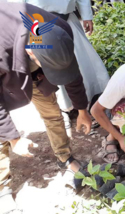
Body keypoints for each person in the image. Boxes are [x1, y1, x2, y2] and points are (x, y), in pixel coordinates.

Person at [0, 3, 92, 212]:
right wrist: (14, 138)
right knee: (1, 135)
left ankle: (64, 157)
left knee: (52, 113)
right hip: (6, 67)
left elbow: (70, 69)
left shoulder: (58, 28)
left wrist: (82, 110)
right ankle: (2, 186)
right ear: (31, 52)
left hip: (30, 67)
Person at [20, 0, 110, 136]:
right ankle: (63, 109)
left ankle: (89, 103)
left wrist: (86, 14)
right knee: (47, 67)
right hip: (35, 23)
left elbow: (68, 68)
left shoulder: (64, 26)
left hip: (65, 17)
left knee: (77, 63)